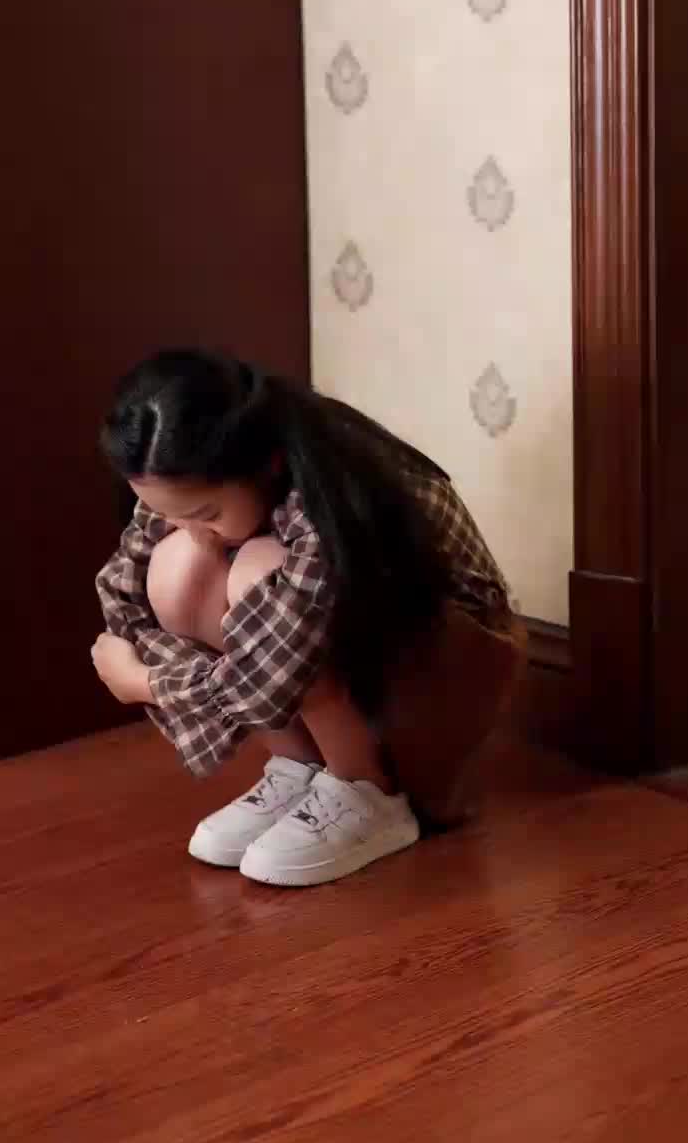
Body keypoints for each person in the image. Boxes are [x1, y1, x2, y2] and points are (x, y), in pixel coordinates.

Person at [93, 350, 523, 888]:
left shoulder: (326, 495)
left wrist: (146, 682)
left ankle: (367, 792)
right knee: (178, 567)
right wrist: (130, 639)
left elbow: (271, 669)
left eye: (206, 513)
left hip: (448, 664)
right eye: (165, 511)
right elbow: (124, 585)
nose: (192, 528)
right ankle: (304, 771)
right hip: (353, 653)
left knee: (258, 571)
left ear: (267, 465)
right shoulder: (197, 473)